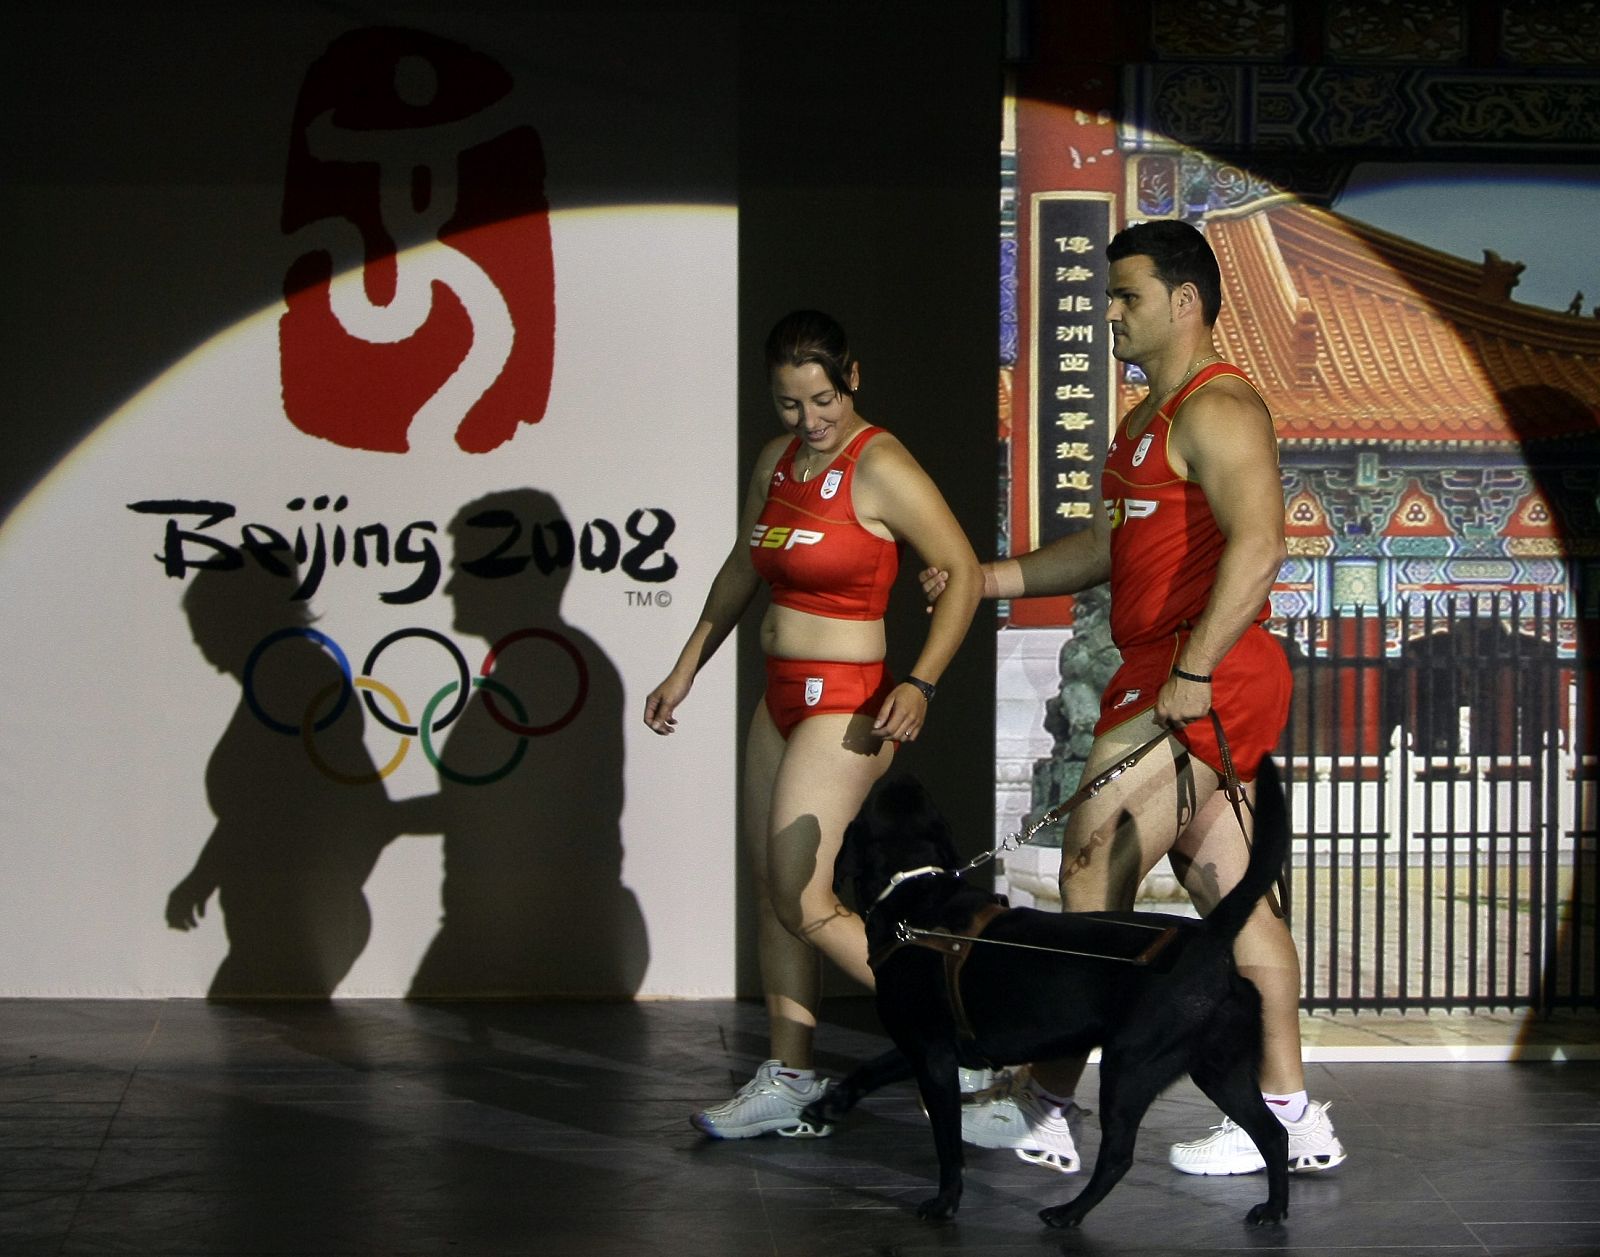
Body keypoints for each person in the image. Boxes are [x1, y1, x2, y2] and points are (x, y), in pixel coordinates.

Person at [924, 220, 1345, 1177]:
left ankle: (1045, 1102)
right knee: (1235, 907)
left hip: (1207, 675)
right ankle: (1284, 1113)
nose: (1110, 314)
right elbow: (1112, 551)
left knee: (1089, 867)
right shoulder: (1143, 420)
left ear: (1184, 302)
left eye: (1127, 297)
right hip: (1157, 671)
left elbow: (1261, 542)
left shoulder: (1220, 404)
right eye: (1109, 297)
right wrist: (991, 578)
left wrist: (1192, 671)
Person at [645, 309, 982, 1138]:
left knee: (805, 895)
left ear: (852, 377)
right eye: (791, 403)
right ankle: (789, 1076)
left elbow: (964, 571)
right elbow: (740, 568)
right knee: (773, 893)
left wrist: (924, 681)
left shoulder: (882, 463)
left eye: (823, 399)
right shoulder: (776, 461)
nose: (810, 420)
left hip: (849, 700)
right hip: (779, 694)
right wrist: (686, 666)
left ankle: (975, 1026)